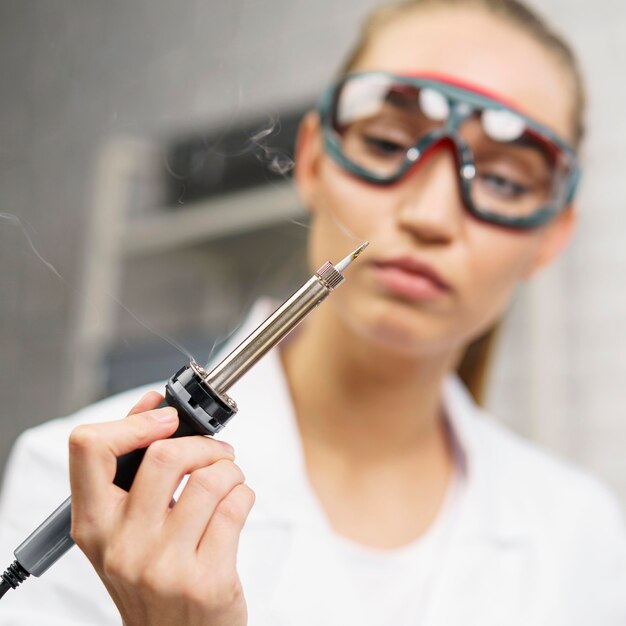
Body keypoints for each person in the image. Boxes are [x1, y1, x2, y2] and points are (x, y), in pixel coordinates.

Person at [1, 0, 625, 624]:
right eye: (386, 142)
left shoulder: (583, 538)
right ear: (314, 159)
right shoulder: (85, 485)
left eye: (505, 182)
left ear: (550, 237)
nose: (430, 216)